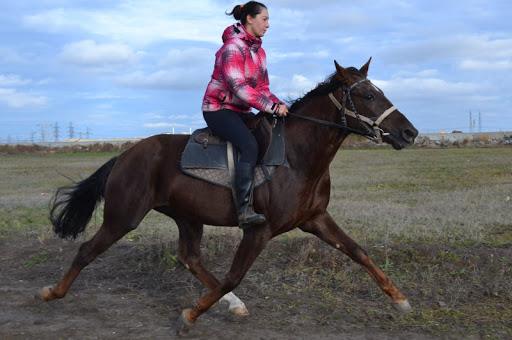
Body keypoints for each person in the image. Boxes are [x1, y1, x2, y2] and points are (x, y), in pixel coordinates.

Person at [202, 1, 288, 229]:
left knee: (268, 136)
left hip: (242, 111)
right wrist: (270, 108)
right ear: (250, 19)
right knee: (249, 145)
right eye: (265, 19)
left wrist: (280, 104)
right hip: (218, 110)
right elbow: (238, 87)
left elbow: (263, 89)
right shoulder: (232, 48)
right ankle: (243, 209)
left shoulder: (259, 52)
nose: (268, 25)